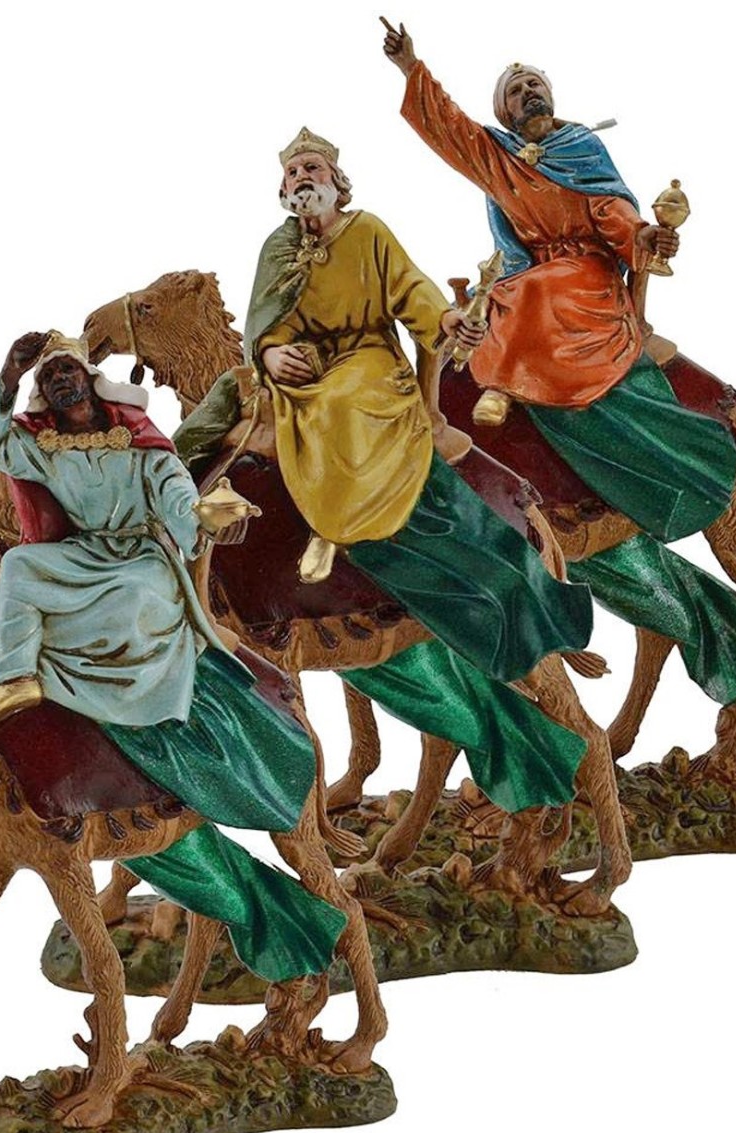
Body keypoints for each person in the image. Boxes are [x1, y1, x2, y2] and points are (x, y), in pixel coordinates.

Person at [173, 130, 594, 818]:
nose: (302, 178)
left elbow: (412, 292)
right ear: (283, 189)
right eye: (293, 171)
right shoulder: (278, 248)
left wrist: (446, 321)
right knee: (224, 418)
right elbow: (260, 324)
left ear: (337, 181)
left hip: (366, 364)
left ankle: (340, 522)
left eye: (313, 168)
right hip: (298, 376)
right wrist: (272, 353)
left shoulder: (367, 231)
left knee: (345, 403)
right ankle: (170, 509)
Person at [380, 22, 736, 706]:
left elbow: (614, 213)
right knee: (495, 301)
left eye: (534, 83)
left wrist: (645, 236)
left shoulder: (580, 148)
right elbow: (454, 132)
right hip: (522, 281)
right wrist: (411, 68)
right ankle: (498, 381)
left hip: (584, 282)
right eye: (515, 90)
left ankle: (509, 383)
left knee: (535, 290)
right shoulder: (502, 159)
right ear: (504, 110)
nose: (529, 92)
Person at [0, 329, 347, 982]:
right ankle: (19, 676)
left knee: (133, 595)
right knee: (20, 566)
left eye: (67, 372)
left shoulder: (137, 440)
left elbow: (178, 501)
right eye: (48, 379)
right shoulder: (43, 445)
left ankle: (128, 689)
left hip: (141, 560)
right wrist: (7, 375)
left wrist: (204, 518)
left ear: (88, 378)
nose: (61, 384)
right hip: (84, 558)